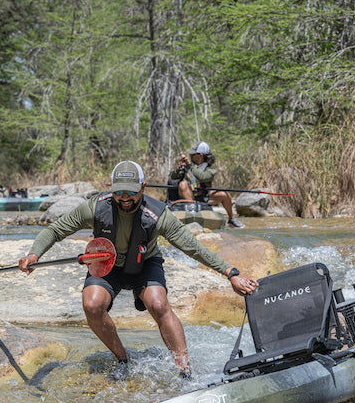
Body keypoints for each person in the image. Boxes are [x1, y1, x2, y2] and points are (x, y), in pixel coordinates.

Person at [19, 160, 258, 380]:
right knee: (92, 305)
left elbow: (193, 247)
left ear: (143, 187)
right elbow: (55, 230)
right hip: (107, 266)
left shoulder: (158, 215)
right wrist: (34, 254)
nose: (124, 198)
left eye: (131, 192)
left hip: (144, 265)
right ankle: (124, 359)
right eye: (119, 191)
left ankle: (185, 372)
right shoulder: (95, 207)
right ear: (110, 187)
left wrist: (231, 273)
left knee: (158, 304)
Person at [169, 141, 244, 228]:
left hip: (205, 198)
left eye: (193, 154)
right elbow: (173, 177)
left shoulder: (210, 170)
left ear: (200, 155)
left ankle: (231, 219)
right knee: (183, 184)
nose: (190, 156)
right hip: (189, 198)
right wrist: (179, 168)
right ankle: (191, 213)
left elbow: (202, 177)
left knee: (224, 194)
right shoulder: (187, 167)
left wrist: (190, 165)